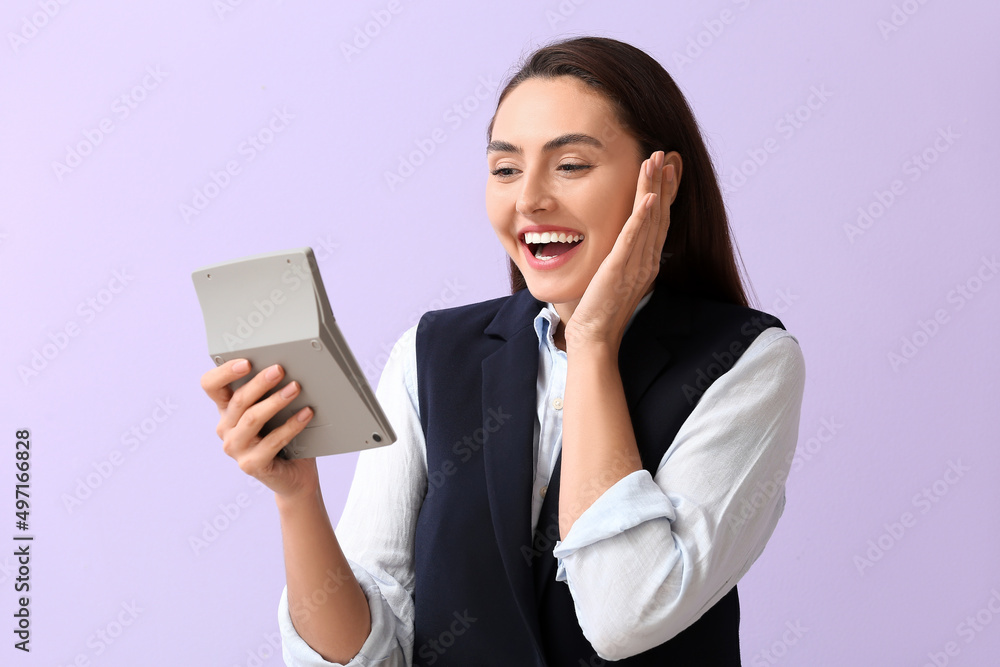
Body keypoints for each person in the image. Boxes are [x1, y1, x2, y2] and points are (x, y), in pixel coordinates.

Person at [200, 35, 806, 666]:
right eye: (506, 168)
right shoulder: (432, 356)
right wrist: (296, 495)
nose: (529, 200)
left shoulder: (747, 365)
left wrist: (593, 343)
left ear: (662, 180)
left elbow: (624, 615)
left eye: (570, 165)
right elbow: (370, 657)